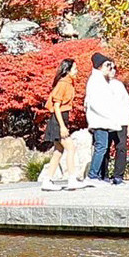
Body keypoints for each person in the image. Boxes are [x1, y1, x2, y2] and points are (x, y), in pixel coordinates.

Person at [85, 54, 129, 185]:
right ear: (100, 66)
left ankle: (117, 176)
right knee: (103, 148)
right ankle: (98, 175)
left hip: (118, 120)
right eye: (108, 66)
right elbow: (92, 103)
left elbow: (126, 104)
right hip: (104, 120)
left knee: (119, 147)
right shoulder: (97, 81)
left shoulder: (117, 85)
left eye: (113, 67)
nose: (111, 69)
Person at [41, 58, 81, 191]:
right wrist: (63, 126)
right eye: (75, 69)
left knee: (58, 151)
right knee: (71, 148)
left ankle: (47, 180)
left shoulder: (69, 83)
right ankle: (72, 179)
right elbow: (56, 106)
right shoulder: (63, 84)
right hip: (59, 119)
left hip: (62, 118)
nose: (77, 71)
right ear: (68, 70)